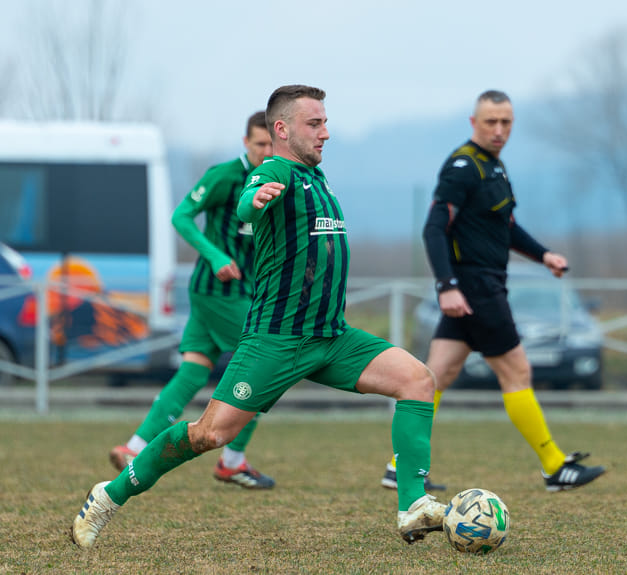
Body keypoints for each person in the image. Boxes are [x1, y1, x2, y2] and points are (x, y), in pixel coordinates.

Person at [72, 85, 445, 550]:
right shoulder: (273, 170)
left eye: (326, 122)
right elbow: (247, 203)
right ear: (282, 130)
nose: (326, 132)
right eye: (315, 123)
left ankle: (412, 506)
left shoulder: (318, 178)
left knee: (418, 381)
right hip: (277, 340)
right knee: (209, 434)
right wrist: (256, 199)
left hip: (332, 337)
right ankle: (108, 496)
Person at [382, 90, 606, 493]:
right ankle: (554, 466)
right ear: (474, 122)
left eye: (506, 123)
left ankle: (401, 465)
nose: (499, 130)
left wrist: (544, 256)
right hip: (476, 289)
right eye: (491, 122)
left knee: (436, 377)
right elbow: (434, 229)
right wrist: (447, 286)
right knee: (517, 372)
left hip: (476, 288)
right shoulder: (463, 167)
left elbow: (505, 227)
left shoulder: (493, 167)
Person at [108, 111, 276, 489]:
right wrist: (215, 255)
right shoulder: (225, 176)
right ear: (246, 143)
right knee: (266, 367)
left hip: (233, 292)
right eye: (259, 144)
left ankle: (134, 447)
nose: (266, 151)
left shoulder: (275, 179)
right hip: (218, 291)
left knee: (194, 371)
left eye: (271, 144)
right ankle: (232, 461)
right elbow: (182, 216)